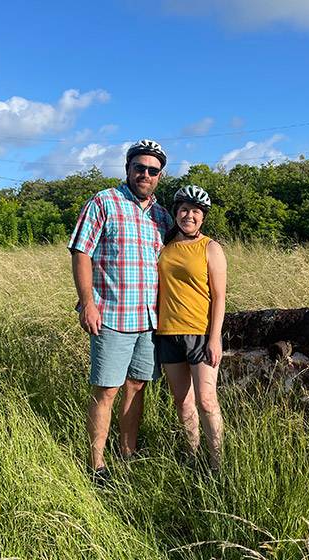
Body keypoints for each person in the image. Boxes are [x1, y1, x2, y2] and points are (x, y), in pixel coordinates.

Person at [68, 139, 173, 484]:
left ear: (160, 175)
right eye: (139, 168)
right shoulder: (104, 202)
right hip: (112, 314)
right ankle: (96, 465)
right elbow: (81, 251)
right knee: (106, 390)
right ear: (127, 168)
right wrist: (87, 302)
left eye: (152, 170)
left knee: (137, 387)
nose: (145, 174)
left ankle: (128, 453)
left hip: (149, 318)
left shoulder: (162, 216)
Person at [155, 185, 227, 471]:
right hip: (168, 332)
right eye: (184, 210)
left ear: (203, 217)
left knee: (207, 401)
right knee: (182, 403)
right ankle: (192, 455)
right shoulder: (166, 246)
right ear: (176, 213)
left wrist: (215, 338)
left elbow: (220, 295)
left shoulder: (210, 247)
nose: (189, 215)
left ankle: (216, 462)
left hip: (200, 332)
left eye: (195, 211)